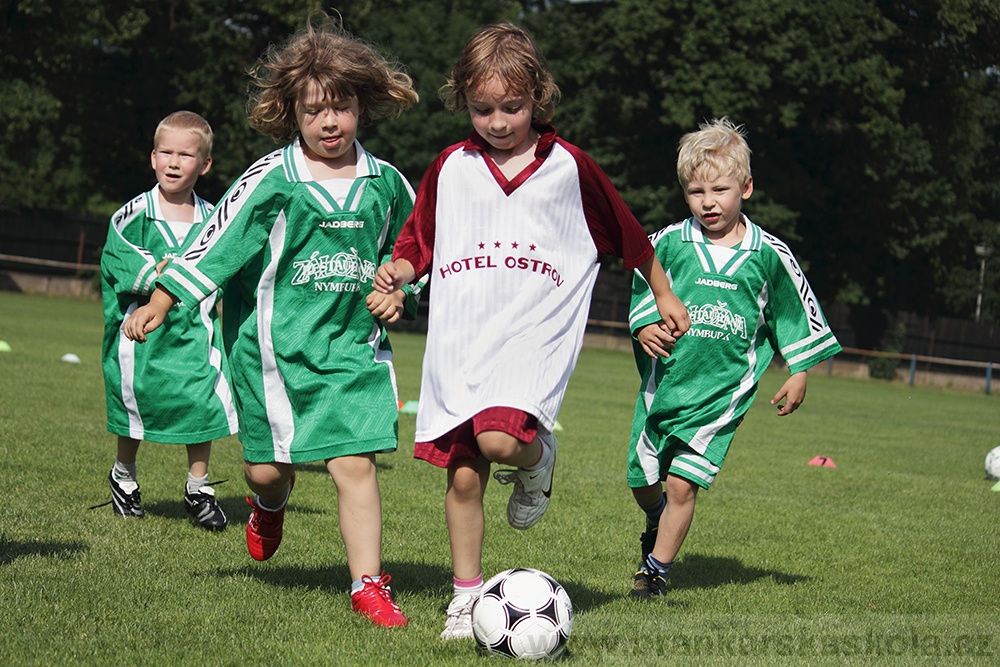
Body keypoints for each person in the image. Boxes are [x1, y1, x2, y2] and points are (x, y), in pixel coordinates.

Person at [370, 22, 690, 639]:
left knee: (497, 441)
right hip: (462, 337)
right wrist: (397, 276)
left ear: (538, 96)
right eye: (482, 108)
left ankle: (539, 459)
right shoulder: (451, 166)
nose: (496, 122)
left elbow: (628, 234)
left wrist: (663, 291)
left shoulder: (570, 166)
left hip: (532, 334)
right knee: (464, 473)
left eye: (511, 107)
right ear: (463, 100)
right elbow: (419, 243)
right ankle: (465, 599)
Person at [122, 14, 419, 628]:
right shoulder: (271, 178)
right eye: (313, 111)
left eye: (340, 108)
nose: (329, 122)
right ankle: (269, 502)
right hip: (270, 353)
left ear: (361, 106)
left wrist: (401, 286)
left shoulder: (387, 184)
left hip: (351, 350)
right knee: (266, 470)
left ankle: (368, 585)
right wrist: (162, 300)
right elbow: (215, 244)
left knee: (355, 464)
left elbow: (417, 247)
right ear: (292, 113)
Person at [625, 117, 842, 598]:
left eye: (720, 190)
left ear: (745, 188)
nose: (708, 202)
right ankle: (657, 519)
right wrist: (643, 325)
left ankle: (655, 572)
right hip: (664, 386)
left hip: (722, 393)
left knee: (682, 484)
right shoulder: (669, 243)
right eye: (696, 191)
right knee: (642, 480)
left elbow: (794, 311)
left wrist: (800, 369)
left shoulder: (769, 255)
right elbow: (643, 284)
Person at [101, 110, 237, 531]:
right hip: (141, 336)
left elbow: (228, 260)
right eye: (166, 152)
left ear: (205, 164)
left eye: (186, 155)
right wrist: (153, 275)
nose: (174, 162)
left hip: (196, 335)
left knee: (203, 403)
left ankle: (199, 488)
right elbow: (117, 256)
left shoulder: (216, 219)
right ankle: (124, 476)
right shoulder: (135, 214)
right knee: (135, 402)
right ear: (153, 157)